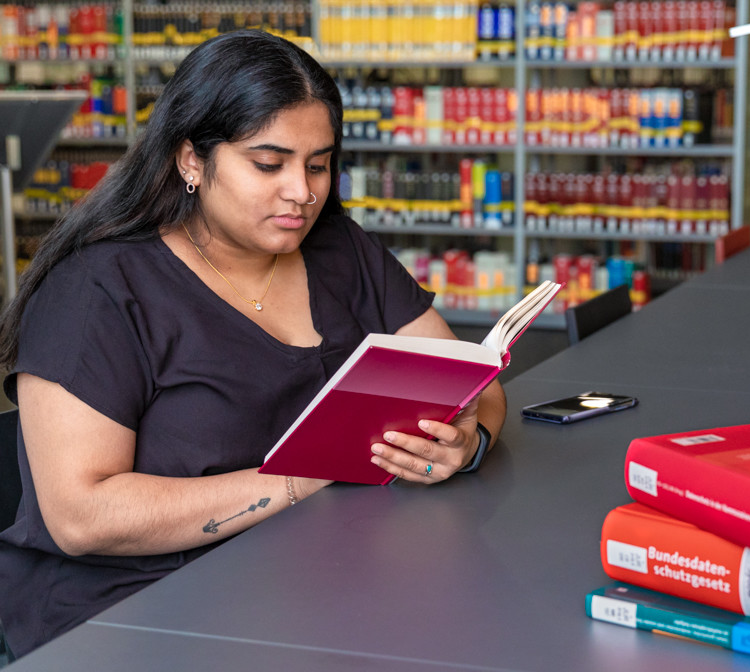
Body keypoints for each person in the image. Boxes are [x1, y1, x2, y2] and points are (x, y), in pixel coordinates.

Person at [0, 29, 506, 660]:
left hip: (308, 576)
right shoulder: (95, 291)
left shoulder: (339, 249)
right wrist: (299, 481)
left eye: (318, 164)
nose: (302, 191)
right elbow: (80, 517)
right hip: (135, 615)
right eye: (269, 164)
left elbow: (473, 382)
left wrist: (466, 442)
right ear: (192, 160)